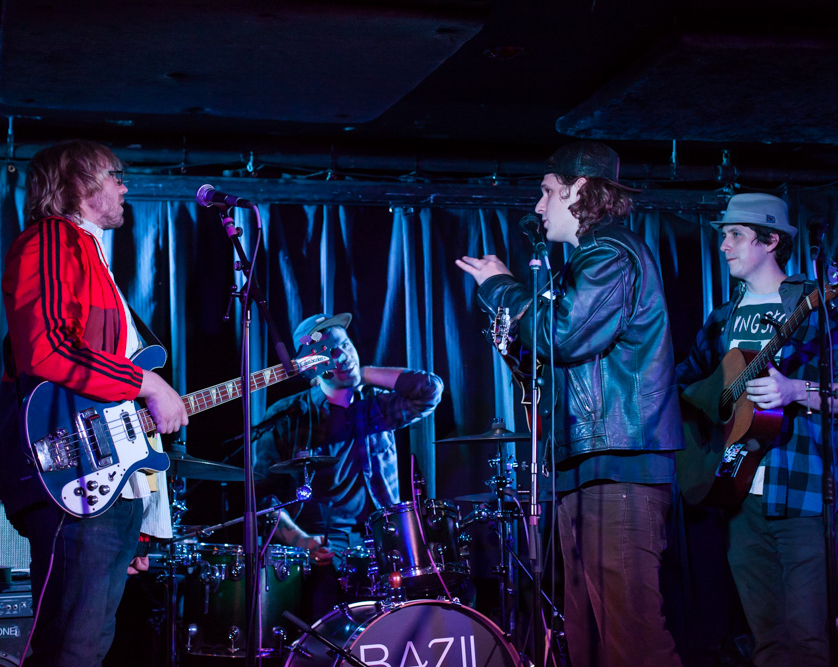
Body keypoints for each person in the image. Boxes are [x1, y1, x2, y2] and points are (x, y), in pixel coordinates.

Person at [457, 141, 684, 667]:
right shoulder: (585, 263)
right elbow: (551, 364)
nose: (539, 206)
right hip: (586, 467)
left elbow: (564, 336)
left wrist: (502, 289)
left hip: (617, 466)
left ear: (580, 189)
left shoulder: (610, 254)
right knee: (589, 640)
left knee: (633, 639)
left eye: (547, 192)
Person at [0, 140, 188, 666]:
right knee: (69, 650)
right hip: (71, 472)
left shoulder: (91, 256)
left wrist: (145, 510)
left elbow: (112, 408)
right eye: (115, 175)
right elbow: (50, 348)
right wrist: (149, 384)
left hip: (106, 482)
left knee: (86, 646)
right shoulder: (55, 240)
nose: (125, 187)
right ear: (81, 185)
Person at [674, 193, 838, 666]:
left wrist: (797, 391)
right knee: (766, 640)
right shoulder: (722, 319)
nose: (723, 245)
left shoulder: (820, 310)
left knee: (808, 638)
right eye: (723, 235)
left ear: (771, 241)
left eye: (735, 235)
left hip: (803, 493)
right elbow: (686, 390)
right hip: (737, 490)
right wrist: (710, 427)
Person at [253, 312, 443, 617]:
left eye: (345, 346)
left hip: (384, 542)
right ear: (312, 366)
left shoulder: (377, 405)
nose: (342, 356)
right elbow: (264, 497)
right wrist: (300, 539)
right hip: (321, 548)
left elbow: (429, 390)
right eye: (329, 352)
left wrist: (361, 373)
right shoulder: (287, 415)